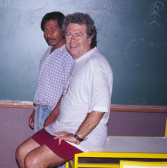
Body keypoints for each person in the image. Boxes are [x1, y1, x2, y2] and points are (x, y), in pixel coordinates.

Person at [16, 12, 113, 168]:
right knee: (22, 152)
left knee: (33, 161)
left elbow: (99, 109)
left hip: (85, 135)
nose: (72, 40)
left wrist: (77, 136)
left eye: (78, 34)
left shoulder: (95, 65)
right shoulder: (78, 61)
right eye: (69, 34)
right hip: (62, 126)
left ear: (90, 37)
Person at [29, 12, 74, 134]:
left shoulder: (68, 55)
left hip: (56, 112)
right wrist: (36, 109)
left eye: (53, 29)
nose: (49, 34)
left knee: (48, 151)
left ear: (63, 30)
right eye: (46, 30)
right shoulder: (47, 52)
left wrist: (53, 115)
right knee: (38, 148)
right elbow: (44, 85)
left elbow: (68, 90)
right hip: (42, 110)